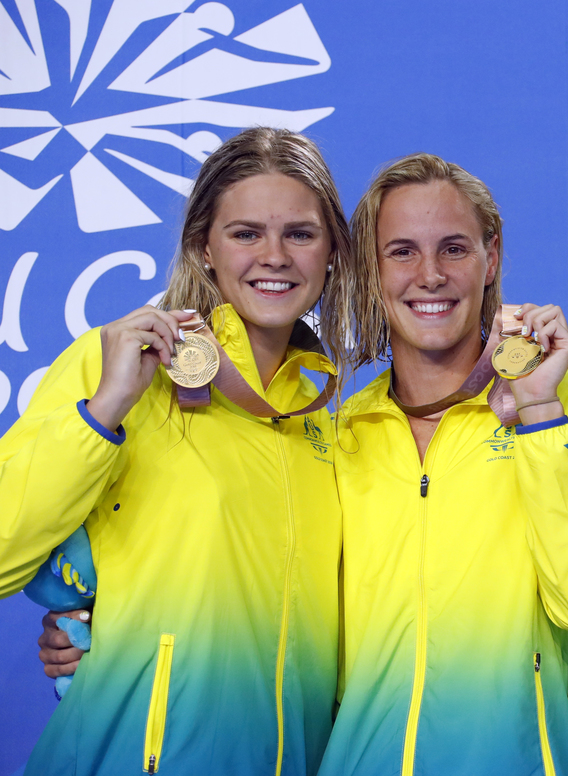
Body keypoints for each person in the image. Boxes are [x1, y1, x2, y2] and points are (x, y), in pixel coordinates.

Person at [4, 127, 352, 775]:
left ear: (332, 252)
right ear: (202, 247)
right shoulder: (118, 368)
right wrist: (104, 410)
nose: (274, 256)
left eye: (300, 234)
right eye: (246, 233)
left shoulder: (322, 424)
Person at [316, 153, 568, 776]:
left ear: (492, 257)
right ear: (371, 270)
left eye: (454, 249)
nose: (430, 275)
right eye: (402, 252)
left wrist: (540, 409)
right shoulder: (344, 432)